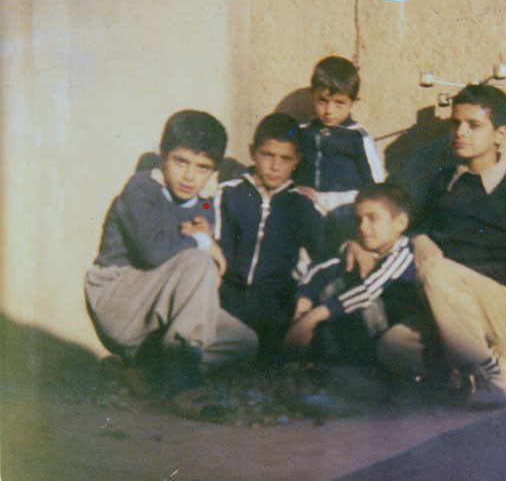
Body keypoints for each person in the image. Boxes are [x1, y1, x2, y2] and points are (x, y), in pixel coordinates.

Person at [351, 84, 506, 408]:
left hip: (500, 310)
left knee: (436, 272)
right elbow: (410, 223)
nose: (460, 132)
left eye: (473, 125)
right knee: (391, 345)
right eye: (456, 123)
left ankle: (489, 379)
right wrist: (418, 238)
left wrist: (455, 274)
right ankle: (463, 373)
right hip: (449, 309)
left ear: (500, 134)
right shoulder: (445, 182)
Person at [84, 109, 258, 420]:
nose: (190, 176)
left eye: (203, 167)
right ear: (163, 156)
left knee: (243, 341)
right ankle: (183, 384)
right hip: (119, 297)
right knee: (197, 259)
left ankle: (144, 371)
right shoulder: (141, 187)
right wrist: (203, 243)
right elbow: (154, 251)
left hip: (159, 312)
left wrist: (206, 248)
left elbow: (208, 276)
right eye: (181, 162)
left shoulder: (204, 204)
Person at [216, 113, 325, 365]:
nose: (275, 166)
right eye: (267, 155)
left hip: (275, 301)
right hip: (229, 295)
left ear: (297, 160)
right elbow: (210, 219)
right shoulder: (228, 193)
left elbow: (323, 256)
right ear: (253, 152)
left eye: (285, 159)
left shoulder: (303, 204)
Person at [284, 183, 421, 369]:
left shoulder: (404, 253)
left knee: (358, 298)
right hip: (367, 331)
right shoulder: (364, 250)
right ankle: (312, 353)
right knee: (335, 282)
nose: (363, 227)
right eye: (359, 220)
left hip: (396, 334)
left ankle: (343, 361)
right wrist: (301, 313)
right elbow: (320, 270)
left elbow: (368, 291)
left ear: (400, 223)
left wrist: (311, 318)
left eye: (372, 218)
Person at [294, 56, 386, 254]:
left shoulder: (357, 136)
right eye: (322, 100)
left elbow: (376, 185)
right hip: (307, 211)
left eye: (339, 103)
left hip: (345, 211)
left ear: (353, 103)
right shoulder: (302, 132)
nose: (329, 111)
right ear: (312, 95)